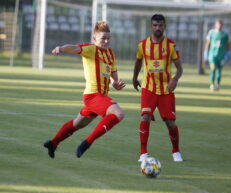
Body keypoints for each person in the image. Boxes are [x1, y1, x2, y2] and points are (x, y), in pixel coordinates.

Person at [43, 21, 125, 158]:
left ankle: (53, 143)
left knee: (78, 124)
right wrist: (61, 48)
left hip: (100, 97)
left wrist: (115, 83)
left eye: (108, 38)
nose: (106, 41)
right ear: (94, 38)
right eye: (103, 38)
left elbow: (112, 74)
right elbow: (74, 48)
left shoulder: (110, 54)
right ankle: (86, 143)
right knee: (119, 113)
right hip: (93, 96)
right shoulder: (90, 49)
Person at [132, 14, 183, 162]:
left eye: (160, 25)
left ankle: (176, 151)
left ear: (164, 26)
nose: (157, 28)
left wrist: (175, 79)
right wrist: (135, 78)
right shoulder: (142, 45)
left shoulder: (171, 45)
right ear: (151, 26)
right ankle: (143, 153)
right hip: (148, 87)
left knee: (170, 122)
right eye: (155, 25)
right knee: (145, 117)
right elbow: (138, 63)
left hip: (166, 89)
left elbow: (179, 68)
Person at [204, 19, 231, 91]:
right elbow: (208, 43)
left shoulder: (225, 34)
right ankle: (212, 84)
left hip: (221, 55)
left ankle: (218, 84)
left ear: (222, 25)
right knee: (213, 69)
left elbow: (228, 44)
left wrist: (228, 53)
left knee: (219, 71)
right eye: (218, 24)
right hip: (212, 55)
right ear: (215, 25)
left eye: (221, 24)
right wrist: (206, 52)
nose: (219, 26)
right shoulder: (211, 32)